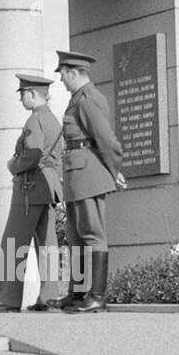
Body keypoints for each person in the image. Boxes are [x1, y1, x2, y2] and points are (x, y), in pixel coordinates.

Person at [50, 49, 127, 314]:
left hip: (88, 175)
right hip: (76, 177)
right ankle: (77, 293)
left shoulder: (89, 99)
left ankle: (96, 296)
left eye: (62, 75)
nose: (61, 80)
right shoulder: (76, 100)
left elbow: (106, 140)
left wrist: (113, 169)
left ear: (73, 73)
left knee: (92, 235)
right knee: (76, 236)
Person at [0, 74, 64, 313]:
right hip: (48, 188)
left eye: (22, 95)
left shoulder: (34, 120)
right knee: (47, 245)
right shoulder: (53, 120)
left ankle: (7, 301)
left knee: (12, 244)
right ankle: (48, 298)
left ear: (31, 94)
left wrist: (12, 165)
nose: (20, 100)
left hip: (29, 188)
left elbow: (33, 154)